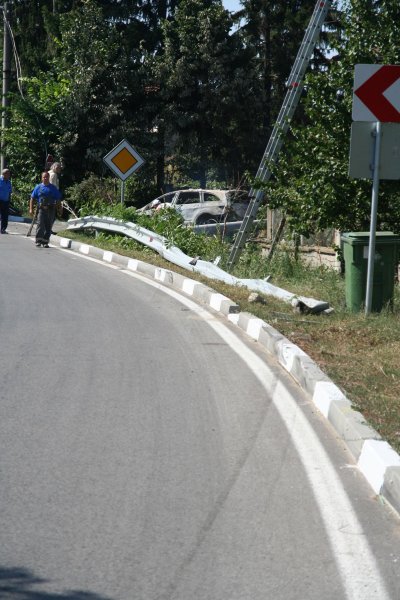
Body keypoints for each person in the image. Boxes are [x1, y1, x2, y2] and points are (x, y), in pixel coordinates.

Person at [29, 171, 62, 247]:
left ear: (49, 178)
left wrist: (59, 209)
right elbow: (32, 198)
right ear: (41, 178)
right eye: (44, 177)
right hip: (41, 209)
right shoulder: (38, 187)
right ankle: (38, 240)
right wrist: (31, 209)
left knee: (48, 226)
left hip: (51, 210)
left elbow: (58, 199)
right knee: (40, 225)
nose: (45, 178)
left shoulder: (53, 188)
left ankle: (45, 242)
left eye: (47, 177)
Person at [0, 168, 12, 234]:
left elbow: (10, 192)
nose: (9, 175)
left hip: (6, 201)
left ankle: (3, 229)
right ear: (4, 174)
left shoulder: (9, 182)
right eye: (8, 174)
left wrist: (9, 200)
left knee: (5, 216)